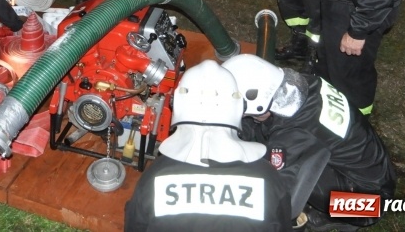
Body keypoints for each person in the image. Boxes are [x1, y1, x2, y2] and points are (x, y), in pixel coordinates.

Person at [223, 54, 396, 231]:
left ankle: (338, 217)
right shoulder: (302, 85)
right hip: (375, 173)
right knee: (262, 134)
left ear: (257, 103)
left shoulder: (296, 133)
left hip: (368, 205)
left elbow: (277, 192)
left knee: (278, 177)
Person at [124, 60, 291, 232]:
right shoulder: (268, 179)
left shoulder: (155, 177)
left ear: (179, 105)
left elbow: (135, 227)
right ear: (238, 107)